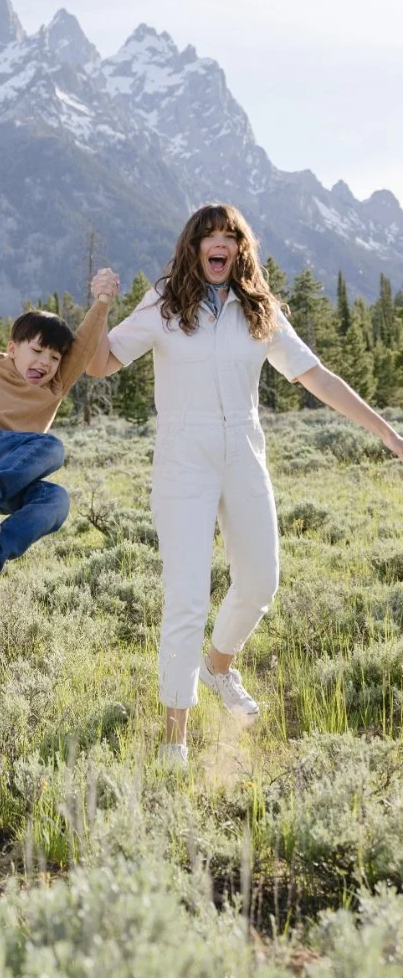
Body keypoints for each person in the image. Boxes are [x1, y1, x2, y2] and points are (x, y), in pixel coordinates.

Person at [87, 203, 403, 769]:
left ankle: (218, 667)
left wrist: (385, 432)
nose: (218, 243)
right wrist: (100, 306)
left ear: (240, 248)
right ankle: (175, 741)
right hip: (184, 457)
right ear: (193, 247)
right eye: (208, 235)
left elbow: (316, 377)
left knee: (261, 580)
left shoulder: (260, 310)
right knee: (186, 597)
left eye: (228, 236)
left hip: (245, 452)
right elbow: (100, 364)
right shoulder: (163, 307)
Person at [0, 251, 119, 587]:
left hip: (2, 482)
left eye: (54, 357)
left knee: (56, 500)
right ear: (13, 349)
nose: (45, 362)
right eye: (37, 351)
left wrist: (103, 300)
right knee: (51, 446)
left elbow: (85, 344)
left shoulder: (55, 386)